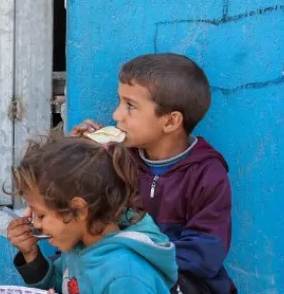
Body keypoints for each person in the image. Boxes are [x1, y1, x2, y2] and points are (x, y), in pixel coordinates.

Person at [70, 53, 235, 294]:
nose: (116, 115)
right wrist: (78, 159)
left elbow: (205, 252)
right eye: (120, 102)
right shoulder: (117, 160)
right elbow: (84, 220)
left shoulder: (207, 173)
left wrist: (130, 256)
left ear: (170, 122)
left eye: (130, 106)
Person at [8, 136, 179, 293]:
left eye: (41, 215)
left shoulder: (127, 275)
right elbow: (60, 285)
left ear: (79, 210)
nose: (36, 224)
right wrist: (31, 255)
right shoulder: (80, 248)